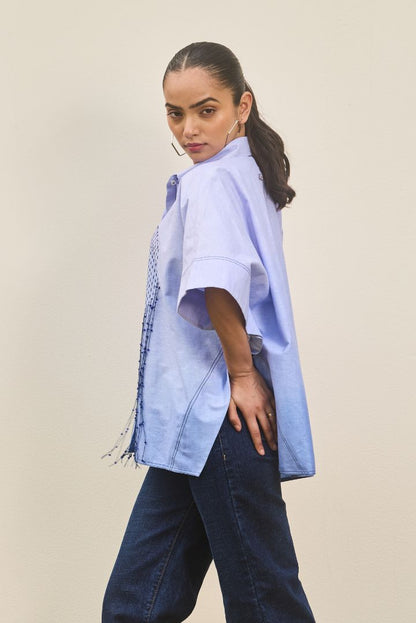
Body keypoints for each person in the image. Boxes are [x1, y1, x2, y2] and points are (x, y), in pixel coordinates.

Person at [102, 41, 316, 623]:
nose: (189, 129)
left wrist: (242, 376)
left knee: (264, 603)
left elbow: (218, 281)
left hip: (220, 408)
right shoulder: (245, 171)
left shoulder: (211, 182)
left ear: (241, 105)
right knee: (136, 604)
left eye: (206, 110)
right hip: (196, 420)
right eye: (175, 114)